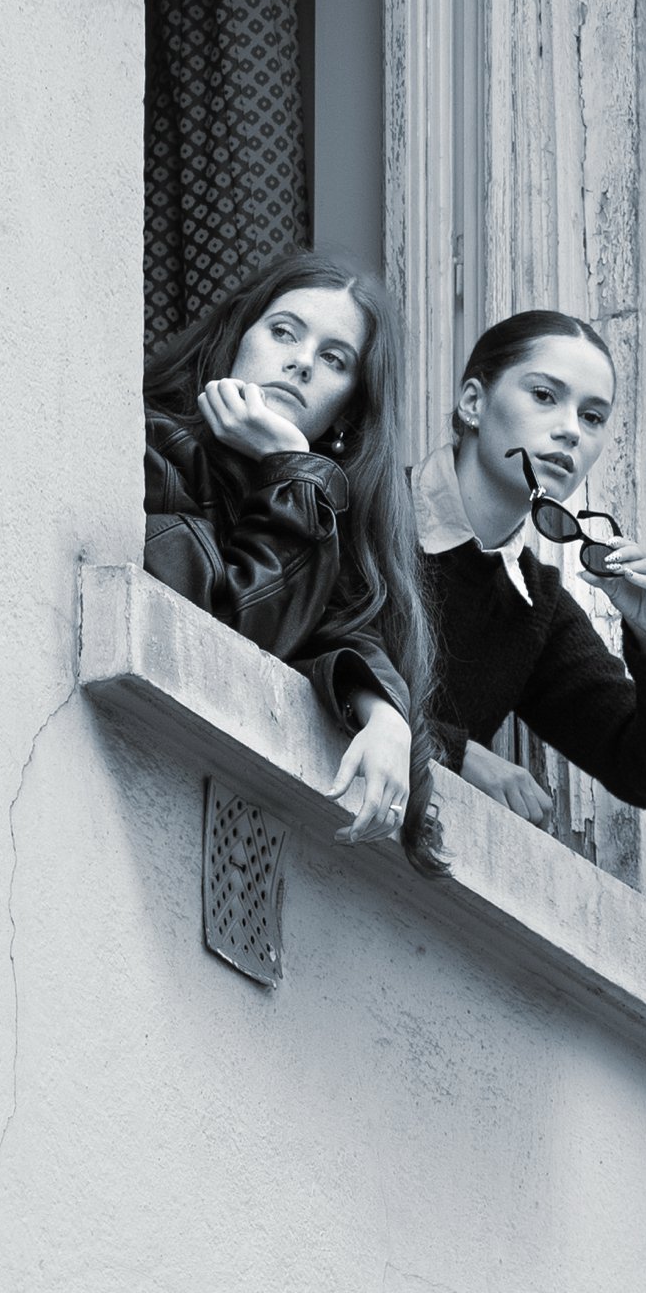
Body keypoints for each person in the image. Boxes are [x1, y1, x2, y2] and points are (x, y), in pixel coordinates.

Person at [144, 251, 430, 850]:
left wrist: (388, 718)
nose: (300, 363)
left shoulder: (327, 527)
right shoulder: (148, 451)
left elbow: (341, 633)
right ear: (235, 339)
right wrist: (294, 471)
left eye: (333, 359)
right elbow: (233, 635)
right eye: (283, 332)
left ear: (350, 409)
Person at [414, 310, 646, 820]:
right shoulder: (361, 507)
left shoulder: (534, 605)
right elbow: (303, 656)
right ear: (473, 403)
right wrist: (456, 753)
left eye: (592, 417)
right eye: (545, 396)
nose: (571, 430)